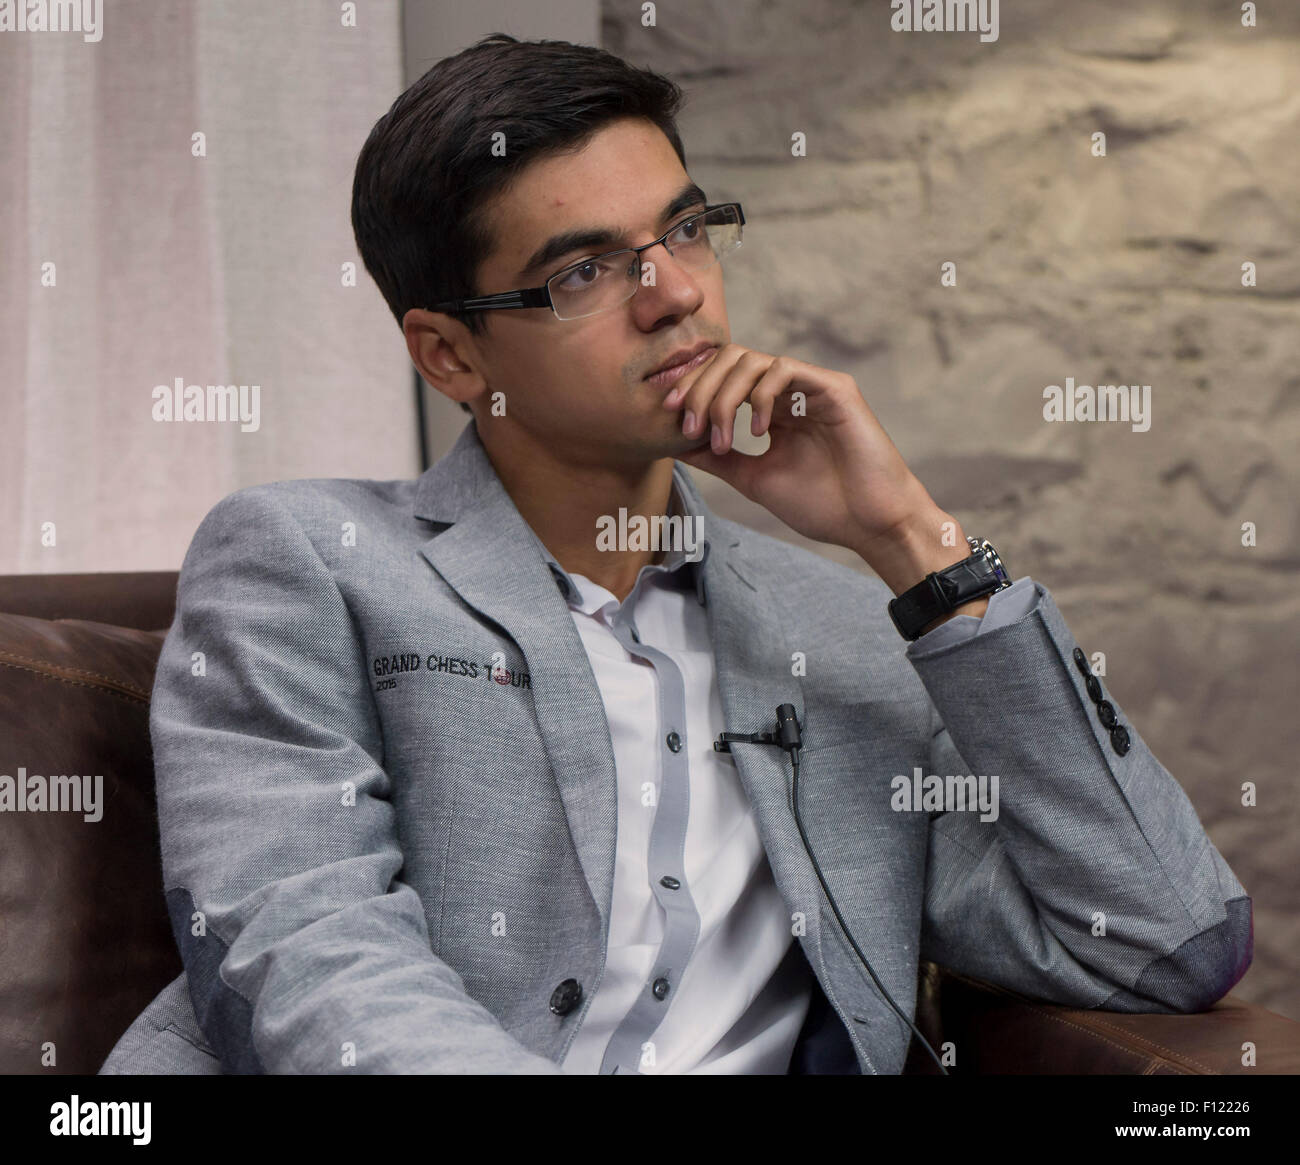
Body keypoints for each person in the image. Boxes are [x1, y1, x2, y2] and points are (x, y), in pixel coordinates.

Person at [100, 33, 1251, 1076]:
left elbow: (1167, 944)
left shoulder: (840, 634)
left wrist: (913, 543)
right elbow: (305, 951)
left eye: (686, 230)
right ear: (450, 356)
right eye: (585, 271)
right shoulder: (312, 560)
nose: (679, 294)